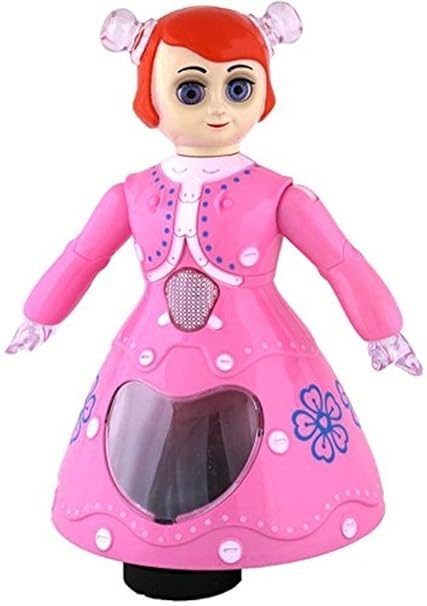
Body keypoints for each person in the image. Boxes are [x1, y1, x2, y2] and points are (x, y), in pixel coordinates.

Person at [6, 3, 422, 600]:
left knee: (253, 436)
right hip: (152, 347)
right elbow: (82, 256)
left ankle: (237, 533)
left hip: (257, 346)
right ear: (151, 97)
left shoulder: (278, 194)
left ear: (263, 93)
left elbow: (339, 260)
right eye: (192, 90)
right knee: (137, 442)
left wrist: (381, 328)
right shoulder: (133, 193)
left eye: (239, 87)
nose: (218, 108)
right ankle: (152, 536)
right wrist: (40, 314)